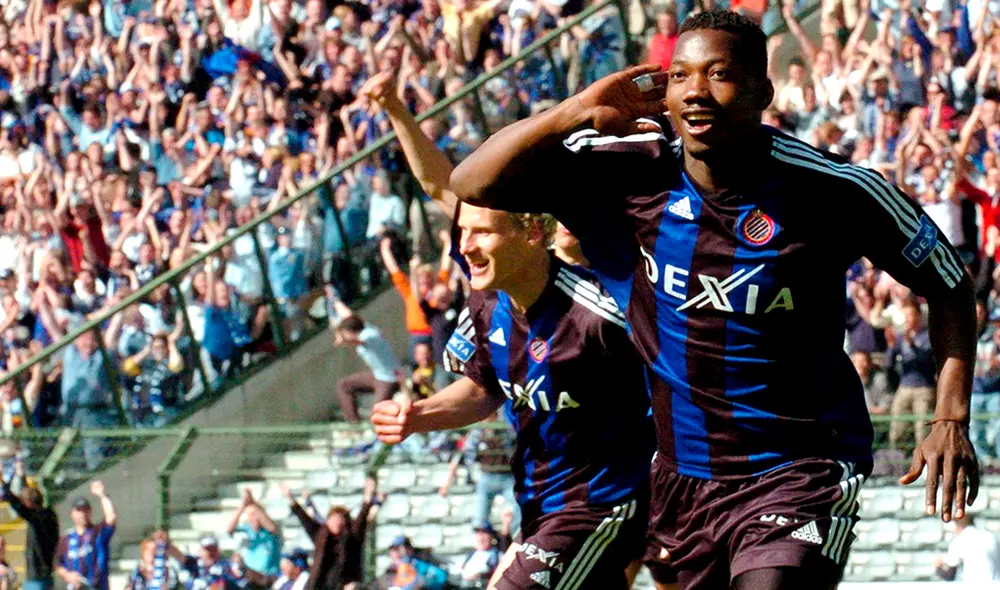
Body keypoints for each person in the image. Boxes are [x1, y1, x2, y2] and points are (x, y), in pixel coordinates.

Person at [450, 9, 979, 589]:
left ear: (762, 91)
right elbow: (474, 182)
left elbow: (949, 285)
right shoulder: (629, 177)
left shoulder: (835, 191)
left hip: (800, 468)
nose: (696, 92)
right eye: (680, 76)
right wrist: (575, 110)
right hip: (684, 479)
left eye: (719, 74)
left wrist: (950, 416)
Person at [371, 202, 654, 589]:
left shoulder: (600, 314)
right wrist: (419, 414)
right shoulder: (486, 305)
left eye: (481, 232)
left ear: (533, 232)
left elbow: (678, 380)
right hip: (541, 505)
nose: (465, 247)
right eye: (461, 233)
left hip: (603, 503)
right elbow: (484, 386)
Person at [280, 477, 380, 590]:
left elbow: (362, 519)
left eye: (339, 519)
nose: (335, 522)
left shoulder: (353, 538)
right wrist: (290, 498)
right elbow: (304, 518)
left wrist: (368, 496)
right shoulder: (320, 535)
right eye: (333, 518)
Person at [330, 298, 404, 423]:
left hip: (389, 378)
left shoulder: (369, 335)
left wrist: (338, 333)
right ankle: (354, 423)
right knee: (344, 386)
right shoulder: (364, 326)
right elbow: (350, 315)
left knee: (377, 413)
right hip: (378, 375)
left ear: (351, 332)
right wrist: (334, 299)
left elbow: (356, 341)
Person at [1, 462, 59, 590]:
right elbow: (28, 501)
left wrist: (4, 481)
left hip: (38, 578)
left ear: (28, 504)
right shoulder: (48, 514)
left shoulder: (37, 519)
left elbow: (17, 504)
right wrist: (21, 476)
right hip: (44, 576)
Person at [54, 481, 117, 590]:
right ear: (72, 514)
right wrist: (67, 575)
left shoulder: (98, 532)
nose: (82, 514)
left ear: (90, 511)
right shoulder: (66, 539)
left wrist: (102, 495)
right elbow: (57, 563)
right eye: (79, 511)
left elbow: (111, 517)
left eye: (85, 510)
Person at [226, 488, 282, 579]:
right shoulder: (245, 530)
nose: (253, 518)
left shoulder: (270, 531)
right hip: (252, 579)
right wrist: (242, 506)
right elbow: (229, 530)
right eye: (250, 515)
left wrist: (253, 503)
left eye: (255, 514)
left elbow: (272, 528)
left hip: (269, 577)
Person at [935, 514, 1000, 581]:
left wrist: (938, 567)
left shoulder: (959, 541)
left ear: (958, 526)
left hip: (974, 584)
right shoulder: (991, 537)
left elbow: (950, 575)